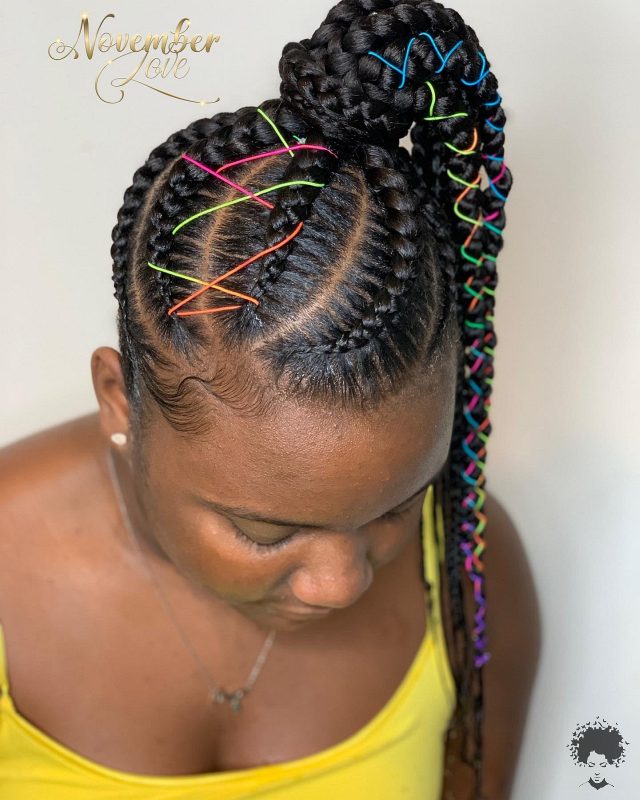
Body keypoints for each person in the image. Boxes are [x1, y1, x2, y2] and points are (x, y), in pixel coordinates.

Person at [0, 1, 541, 797]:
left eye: (398, 506)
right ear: (119, 400)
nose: (341, 584)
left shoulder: (471, 569)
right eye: (262, 530)